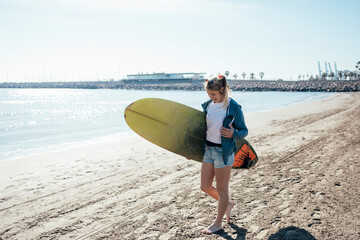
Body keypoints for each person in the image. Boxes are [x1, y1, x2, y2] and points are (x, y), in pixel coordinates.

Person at [200, 75, 248, 234]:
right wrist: (191, 149)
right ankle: (226, 204)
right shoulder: (208, 105)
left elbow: (244, 131)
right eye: (208, 94)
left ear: (222, 90)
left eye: (213, 94)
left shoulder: (233, 107)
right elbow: (205, 130)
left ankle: (218, 223)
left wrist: (234, 133)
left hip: (224, 152)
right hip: (208, 150)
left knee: (222, 189)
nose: (211, 97)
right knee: (205, 186)